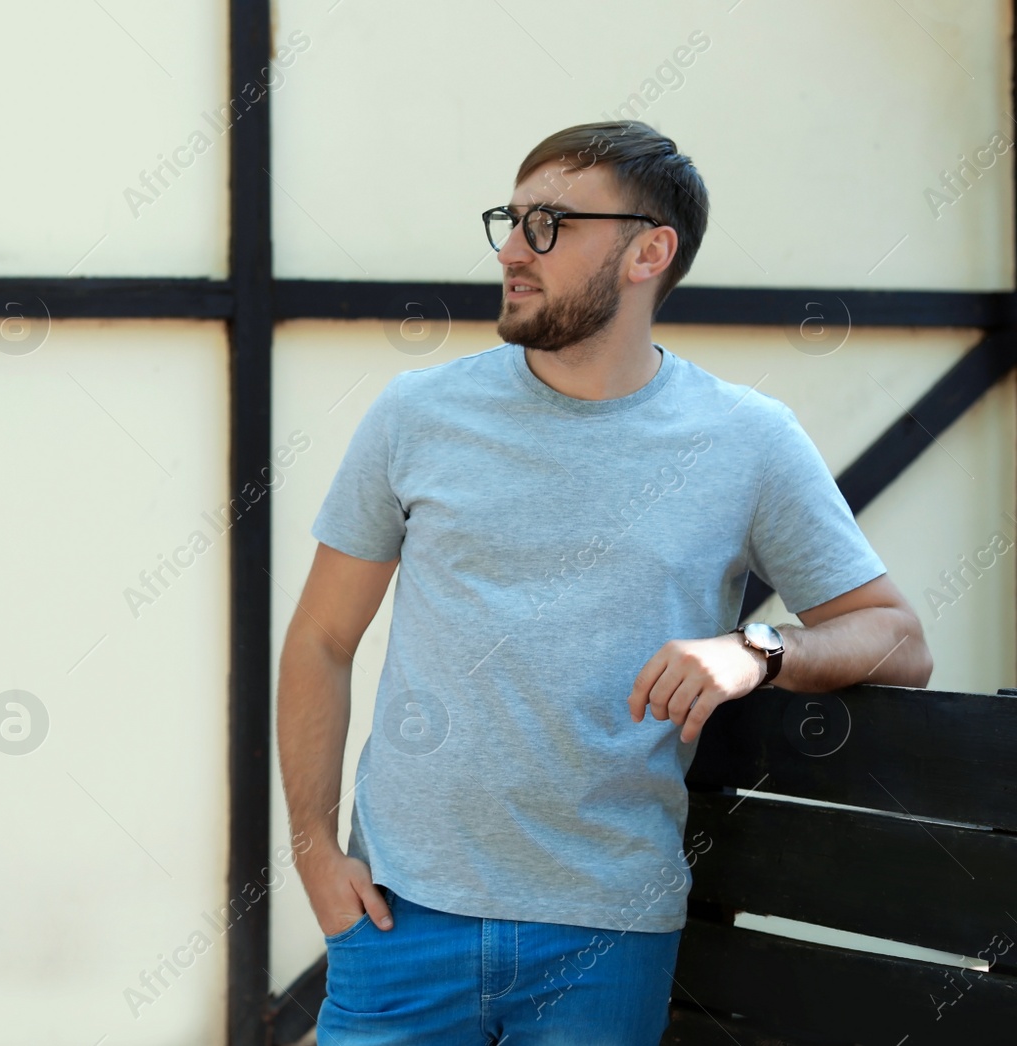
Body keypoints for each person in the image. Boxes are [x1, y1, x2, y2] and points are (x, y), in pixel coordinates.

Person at [275, 120, 933, 1045]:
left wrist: (760, 649)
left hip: (607, 937)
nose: (513, 249)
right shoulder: (416, 416)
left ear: (649, 251)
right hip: (398, 917)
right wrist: (311, 847)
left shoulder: (748, 439)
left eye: (550, 224)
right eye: (511, 219)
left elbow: (898, 638)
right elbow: (320, 640)